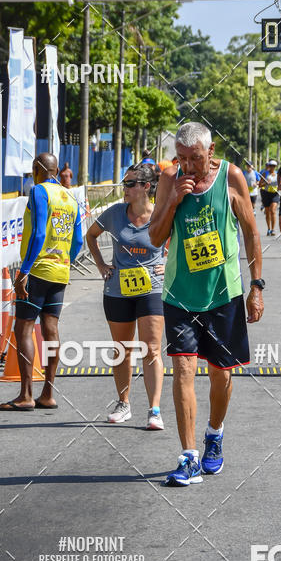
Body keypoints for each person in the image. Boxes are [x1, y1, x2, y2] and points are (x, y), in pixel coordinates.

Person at [149, 122, 263, 487]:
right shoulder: (170, 179)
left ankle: (214, 432)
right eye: (181, 158)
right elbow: (155, 237)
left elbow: (251, 232)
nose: (188, 166)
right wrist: (172, 201)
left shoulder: (231, 177)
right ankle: (188, 457)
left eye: (195, 158)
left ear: (210, 151)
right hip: (180, 295)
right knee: (183, 369)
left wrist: (256, 286)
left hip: (223, 295)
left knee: (221, 375)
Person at [0, 153, 82, 411]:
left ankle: (26, 395)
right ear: (56, 170)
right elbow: (78, 240)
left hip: (37, 270)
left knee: (23, 329)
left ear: (37, 169)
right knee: (51, 330)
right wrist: (65, 262)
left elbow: (38, 233)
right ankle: (48, 394)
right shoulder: (71, 197)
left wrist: (24, 271)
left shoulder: (39, 191)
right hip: (61, 271)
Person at [86, 163, 166, 430]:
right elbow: (91, 236)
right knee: (122, 349)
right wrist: (101, 265)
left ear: (146, 187)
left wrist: (168, 263)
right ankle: (124, 403)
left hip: (152, 288)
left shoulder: (161, 214)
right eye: (125, 183)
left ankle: (154, 410)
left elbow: (178, 240)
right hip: (118, 290)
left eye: (130, 184)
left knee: (151, 348)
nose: (125, 188)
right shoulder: (115, 213)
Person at [259, 160, 279, 235]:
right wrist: (265, 183)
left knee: (273, 211)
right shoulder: (265, 174)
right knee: (267, 213)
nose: (272, 167)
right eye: (271, 166)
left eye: (274, 166)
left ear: (275, 167)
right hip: (266, 194)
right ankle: (269, 229)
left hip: (274, 194)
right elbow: (260, 185)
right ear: (268, 166)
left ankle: (273, 229)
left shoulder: (278, 174)